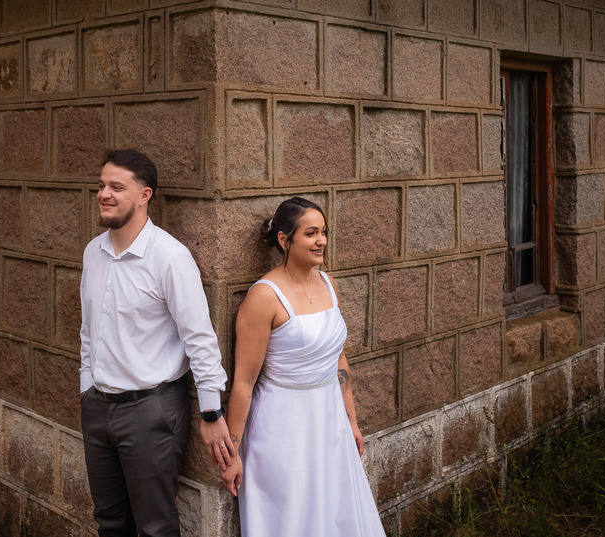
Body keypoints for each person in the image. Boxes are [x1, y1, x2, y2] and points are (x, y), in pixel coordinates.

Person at [79, 149, 236, 537]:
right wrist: (87, 387)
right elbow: (89, 329)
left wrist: (211, 412)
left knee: (155, 527)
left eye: (117, 187)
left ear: (144, 195)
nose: (104, 194)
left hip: (150, 413)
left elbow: (200, 338)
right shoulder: (93, 252)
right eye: (102, 185)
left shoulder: (169, 258)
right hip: (98, 408)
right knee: (109, 522)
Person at [220, 197, 385, 537]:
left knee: (336, 510)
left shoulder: (328, 284)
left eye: (323, 232)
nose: (321, 240)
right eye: (310, 233)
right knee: (293, 516)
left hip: (329, 420)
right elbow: (244, 382)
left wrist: (352, 421)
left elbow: (338, 357)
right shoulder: (264, 296)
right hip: (283, 426)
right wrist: (233, 453)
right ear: (284, 240)